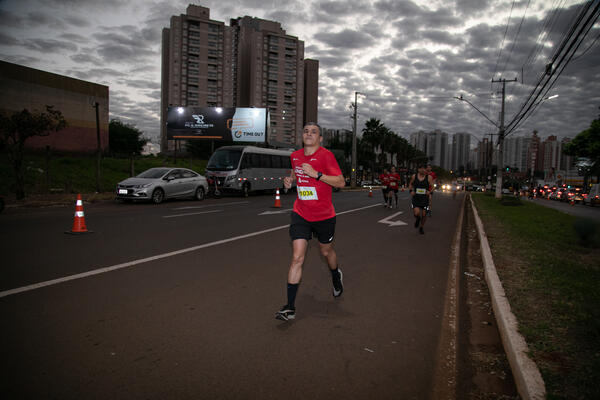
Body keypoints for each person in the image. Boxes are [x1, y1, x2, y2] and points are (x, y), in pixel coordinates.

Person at [276, 122, 346, 321]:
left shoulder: (326, 156)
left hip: (324, 216)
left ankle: (335, 275)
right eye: (306, 131)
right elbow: (295, 174)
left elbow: (341, 182)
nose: (309, 133)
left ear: (320, 138)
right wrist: (289, 182)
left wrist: (317, 174)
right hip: (301, 213)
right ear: (302, 136)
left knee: (326, 251)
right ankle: (289, 308)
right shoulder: (295, 156)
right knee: (297, 257)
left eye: (313, 132)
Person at [409, 164, 434, 235]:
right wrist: (411, 191)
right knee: (416, 213)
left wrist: (429, 191)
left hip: (425, 199)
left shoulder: (429, 177)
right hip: (416, 198)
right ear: (418, 169)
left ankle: (421, 227)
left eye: (424, 168)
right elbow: (410, 184)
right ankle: (417, 219)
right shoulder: (414, 176)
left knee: (424, 214)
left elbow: (432, 186)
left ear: (426, 170)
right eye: (421, 168)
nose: (422, 170)